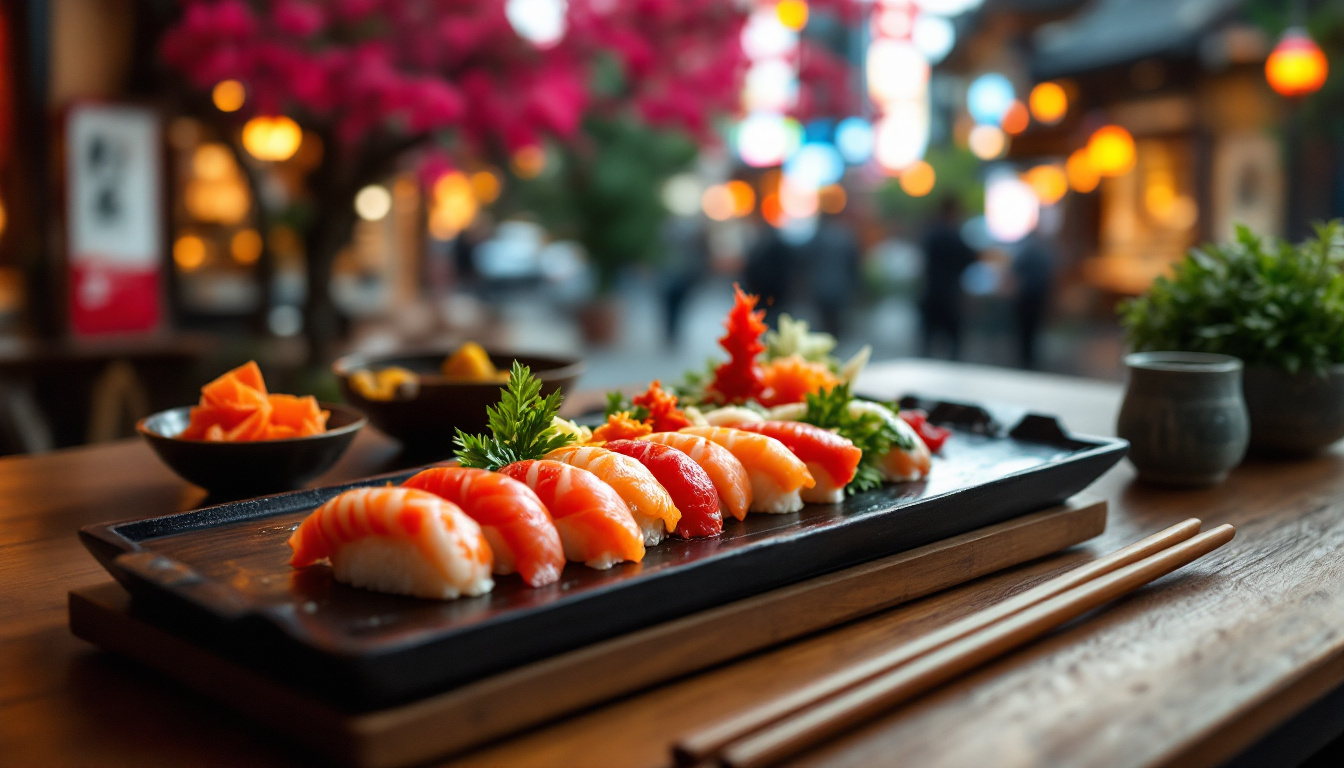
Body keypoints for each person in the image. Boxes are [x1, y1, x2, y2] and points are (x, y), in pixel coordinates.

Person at [918, 197, 978, 359]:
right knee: (954, 347)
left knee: (927, 343)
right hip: (951, 295)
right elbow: (970, 258)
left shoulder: (931, 233)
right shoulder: (955, 236)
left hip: (932, 292)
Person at [801, 211, 862, 337]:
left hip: (820, 287)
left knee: (823, 322)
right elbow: (854, 263)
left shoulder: (818, 237)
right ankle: (836, 343)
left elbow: (806, 261)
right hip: (841, 286)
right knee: (837, 320)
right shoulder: (845, 236)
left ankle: (827, 346)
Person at [1011, 232, 1056, 369]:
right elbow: (1050, 275)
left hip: (1024, 296)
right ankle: (1029, 356)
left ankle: (1024, 356)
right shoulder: (1044, 254)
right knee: (1033, 328)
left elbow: (1015, 273)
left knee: (1023, 328)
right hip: (1038, 296)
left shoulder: (1024, 253)